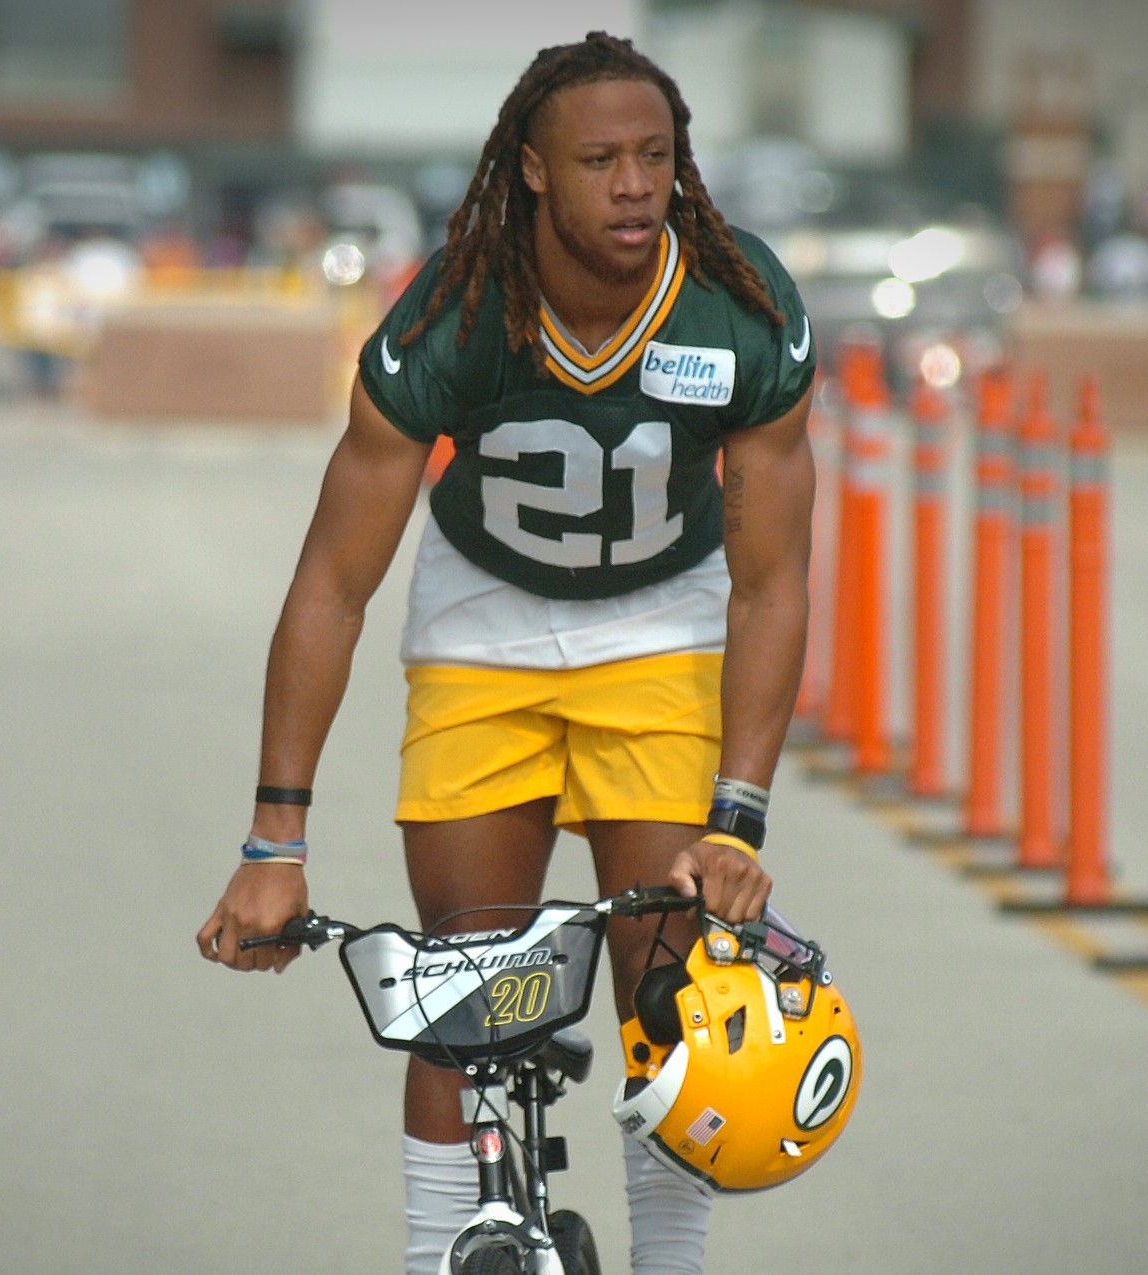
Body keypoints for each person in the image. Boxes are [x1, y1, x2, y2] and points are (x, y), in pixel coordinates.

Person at [194, 31, 815, 1275]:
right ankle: (441, 1261)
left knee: (674, 994)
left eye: (654, 156)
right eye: (599, 160)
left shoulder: (740, 308)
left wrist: (737, 821)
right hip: (488, 620)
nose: (634, 184)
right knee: (462, 989)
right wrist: (274, 845)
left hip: (663, 622)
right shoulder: (456, 316)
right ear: (532, 171)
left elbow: (771, 581)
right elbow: (331, 584)